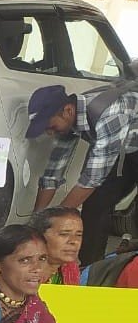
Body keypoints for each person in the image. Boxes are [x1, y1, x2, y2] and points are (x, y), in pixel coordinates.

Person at [28, 83, 138, 264]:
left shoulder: (108, 113)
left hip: (126, 141)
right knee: (95, 204)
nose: (49, 133)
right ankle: (90, 268)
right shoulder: (71, 117)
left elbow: (91, 180)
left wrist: (54, 222)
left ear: (67, 111)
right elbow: (52, 174)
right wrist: (36, 221)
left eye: (50, 126)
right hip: (124, 147)